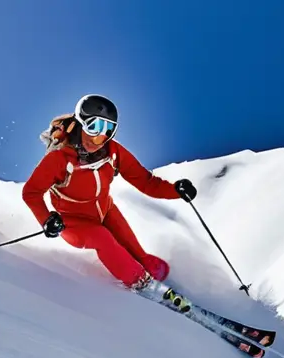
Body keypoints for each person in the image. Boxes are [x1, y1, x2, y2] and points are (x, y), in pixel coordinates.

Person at [22, 94, 197, 311]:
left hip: (106, 211)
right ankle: (141, 283)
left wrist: (175, 190)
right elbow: (31, 192)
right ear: (80, 122)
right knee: (103, 239)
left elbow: (146, 181)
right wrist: (46, 219)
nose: (99, 137)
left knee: (140, 256)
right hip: (74, 222)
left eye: (108, 129)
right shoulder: (59, 159)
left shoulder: (113, 152)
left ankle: (152, 276)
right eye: (94, 126)